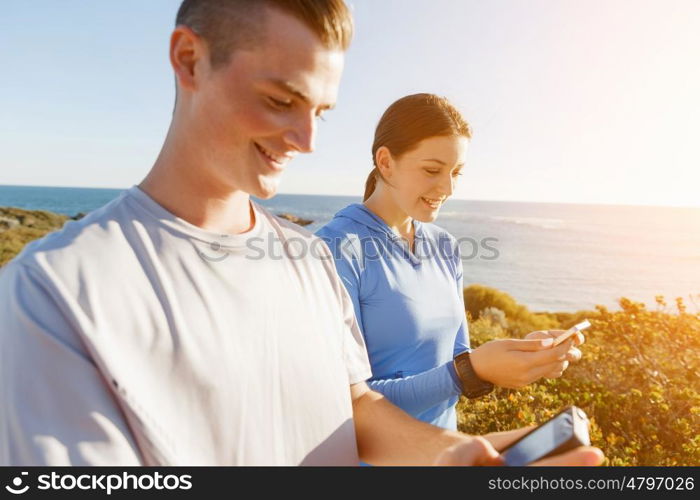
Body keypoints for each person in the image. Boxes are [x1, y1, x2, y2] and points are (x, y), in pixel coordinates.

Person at [0, 0, 601, 466]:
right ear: (189, 60)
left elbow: (356, 412)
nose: (307, 141)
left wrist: (461, 459)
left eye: (321, 112)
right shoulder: (55, 291)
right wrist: (466, 376)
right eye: (280, 99)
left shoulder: (308, 259)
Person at [317, 93, 585, 430]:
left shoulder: (444, 246)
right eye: (432, 170)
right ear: (385, 162)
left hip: (447, 453)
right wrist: (469, 371)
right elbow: (343, 404)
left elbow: (456, 359)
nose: (448, 187)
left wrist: (518, 355)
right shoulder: (334, 249)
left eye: (456, 172)